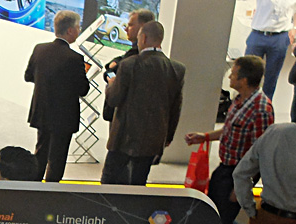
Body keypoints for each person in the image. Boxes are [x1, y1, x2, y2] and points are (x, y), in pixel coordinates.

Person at [184, 56, 274, 224]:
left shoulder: (261, 109)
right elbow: (229, 129)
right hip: (225, 169)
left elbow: (260, 152)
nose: (230, 77)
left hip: (238, 175)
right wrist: (204, 136)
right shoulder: (239, 100)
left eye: (233, 74)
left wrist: (242, 186)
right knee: (216, 212)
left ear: (243, 79)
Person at [100, 21, 185, 186]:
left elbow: (114, 99)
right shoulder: (176, 69)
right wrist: (168, 137)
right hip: (154, 138)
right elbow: (176, 108)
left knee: (110, 182)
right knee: (139, 183)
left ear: (144, 38)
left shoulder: (129, 64)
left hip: (124, 136)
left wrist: (111, 84)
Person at [24, 10, 89, 183]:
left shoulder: (39, 49)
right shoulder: (75, 58)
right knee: (57, 158)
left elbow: (28, 76)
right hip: (64, 117)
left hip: (42, 111)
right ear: (70, 30)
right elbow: (83, 89)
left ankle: (35, 186)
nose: (79, 30)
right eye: (78, 27)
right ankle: (52, 190)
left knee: (41, 151)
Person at [102, 9, 154, 123]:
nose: (126, 29)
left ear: (143, 27)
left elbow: (111, 72)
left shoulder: (136, 58)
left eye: (130, 25)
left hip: (124, 118)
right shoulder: (132, 55)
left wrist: (110, 72)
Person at [244, 0, 296, 101]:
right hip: (258, 33)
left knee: (271, 79)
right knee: (248, 74)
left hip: (280, 36)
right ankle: (245, 106)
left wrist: (294, 27)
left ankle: (264, 108)